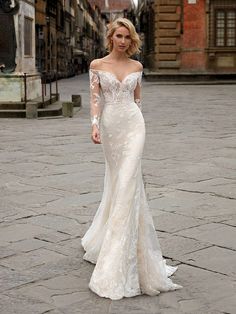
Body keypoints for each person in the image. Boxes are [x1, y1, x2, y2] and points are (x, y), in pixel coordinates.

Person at [81, 17, 182, 300]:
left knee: (128, 183)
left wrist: (137, 122)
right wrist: (94, 124)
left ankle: (122, 256)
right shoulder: (97, 66)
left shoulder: (137, 66)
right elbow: (95, 99)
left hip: (134, 126)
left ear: (131, 39)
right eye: (119, 36)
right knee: (117, 182)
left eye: (128, 37)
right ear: (111, 37)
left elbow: (138, 101)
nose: (123, 41)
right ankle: (108, 240)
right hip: (111, 127)